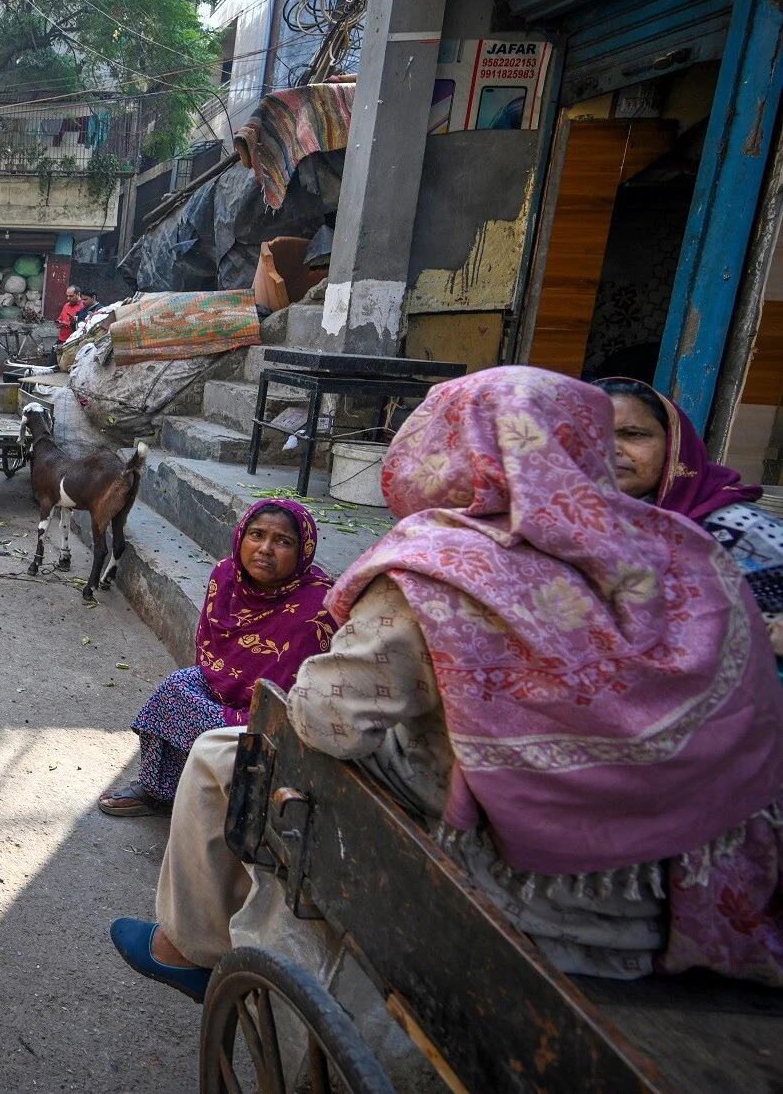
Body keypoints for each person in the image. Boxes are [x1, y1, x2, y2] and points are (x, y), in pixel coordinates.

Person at [114, 368, 783, 1001]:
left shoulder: (447, 565)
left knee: (225, 756)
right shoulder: (690, 553)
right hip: (666, 901)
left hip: (515, 884)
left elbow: (327, 719)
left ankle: (187, 945)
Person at [97, 499, 334, 818]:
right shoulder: (226, 576)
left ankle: (233, 805)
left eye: (282, 541)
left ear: (302, 550)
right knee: (174, 690)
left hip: (276, 723)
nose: (265, 548)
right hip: (224, 687)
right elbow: (211, 656)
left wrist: (235, 712)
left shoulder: (317, 610)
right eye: (257, 535)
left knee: (211, 727)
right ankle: (159, 789)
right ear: (241, 537)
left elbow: (290, 704)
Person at [595, 377, 783, 646]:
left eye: (633, 434)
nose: (611, 448)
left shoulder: (742, 531)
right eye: (594, 435)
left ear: (674, 445)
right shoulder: (562, 525)